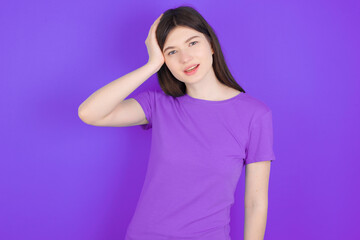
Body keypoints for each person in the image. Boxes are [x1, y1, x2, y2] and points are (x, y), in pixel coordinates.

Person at [78, 5, 275, 240]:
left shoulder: (255, 115)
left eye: (192, 43)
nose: (185, 58)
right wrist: (151, 65)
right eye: (172, 52)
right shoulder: (158, 105)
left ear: (211, 44)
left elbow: (256, 203)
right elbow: (89, 113)